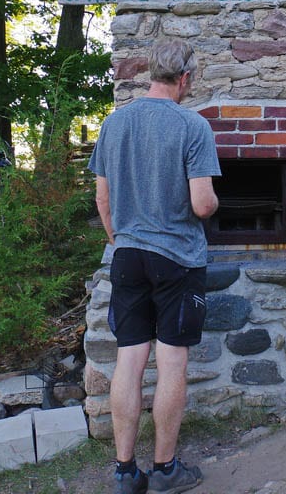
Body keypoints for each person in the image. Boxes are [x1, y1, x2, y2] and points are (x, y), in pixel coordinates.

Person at [89, 37, 220, 494]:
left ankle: (126, 473)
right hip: (177, 260)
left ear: (152, 73)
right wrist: (217, 198)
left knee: (129, 360)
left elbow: (102, 198)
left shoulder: (114, 123)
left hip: (127, 257)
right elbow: (202, 205)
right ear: (184, 78)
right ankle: (165, 470)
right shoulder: (193, 126)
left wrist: (121, 241)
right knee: (171, 363)